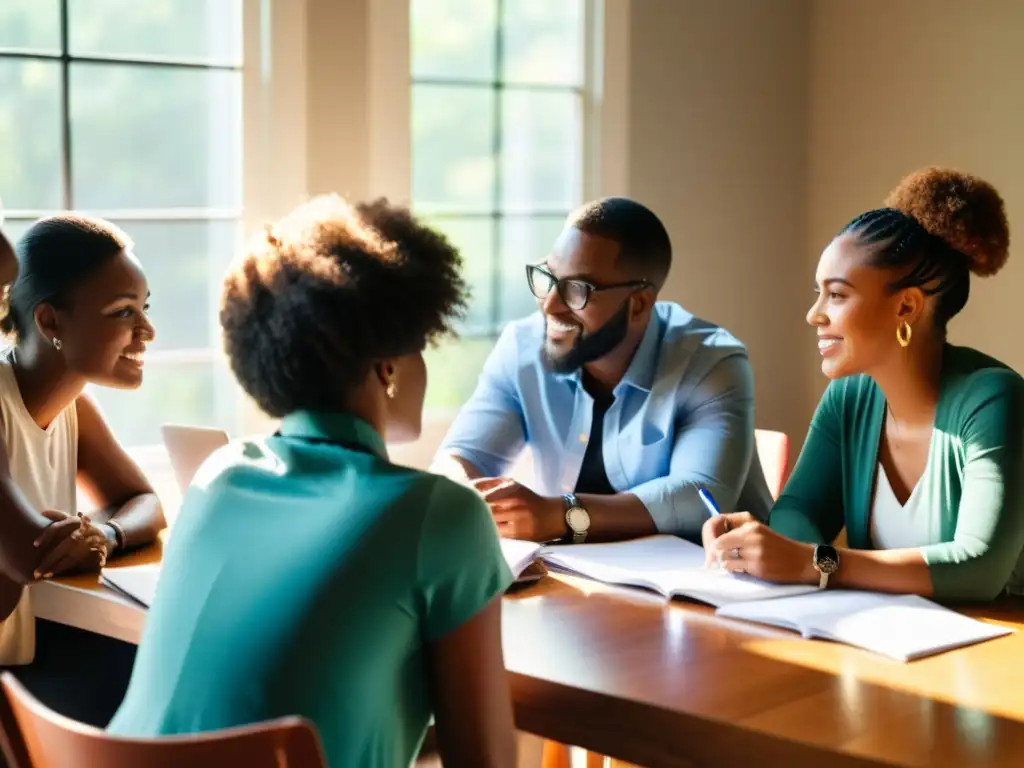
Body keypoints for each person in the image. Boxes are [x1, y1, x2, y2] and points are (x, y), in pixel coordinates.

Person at [109, 196, 517, 768]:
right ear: (388, 365)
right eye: (419, 343)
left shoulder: (217, 476)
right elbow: (487, 759)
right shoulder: (436, 512)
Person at [702, 167, 1024, 602]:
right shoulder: (849, 397)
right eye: (818, 293)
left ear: (906, 306)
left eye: (835, 295)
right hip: (890, 643)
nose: (814, 314)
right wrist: (771, 547)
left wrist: (810, 562)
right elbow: (797, 509)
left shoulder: (994, 400)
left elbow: (980, 567)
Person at [432, 197, 772, 544]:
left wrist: (559, 515)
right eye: (549, 277)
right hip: (586, 581)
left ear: (638, 304)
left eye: (577, 289)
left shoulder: (711, 363)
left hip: (713, 583)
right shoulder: (522, 348)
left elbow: (701, 496)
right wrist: (466, 497)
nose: (551, 304)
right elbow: (461, 458)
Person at [0, 214, 166, 724]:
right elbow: (29, 552)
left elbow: (147, 503)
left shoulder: (76, 408)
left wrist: (105, 534)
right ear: (49, 322)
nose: (148, 331)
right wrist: (70, 541)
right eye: (122, 313)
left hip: (30, 658)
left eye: (144, 308)